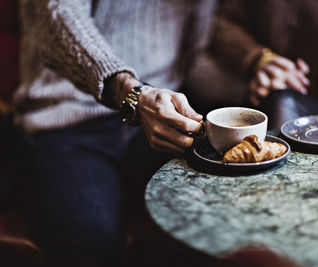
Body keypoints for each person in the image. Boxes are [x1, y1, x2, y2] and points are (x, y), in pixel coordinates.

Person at [15, 0, 216, 266]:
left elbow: (195, 59)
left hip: (163, 116)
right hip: (63, 119)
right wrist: (131, 92)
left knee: (212, 226)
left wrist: (257, 74)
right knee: (90, 242)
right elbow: (57, 19)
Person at [186, 0, 318, 129]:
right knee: (280, 102)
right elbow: (223, 25)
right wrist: (261, 59)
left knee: (282, 102)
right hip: (267, 91)